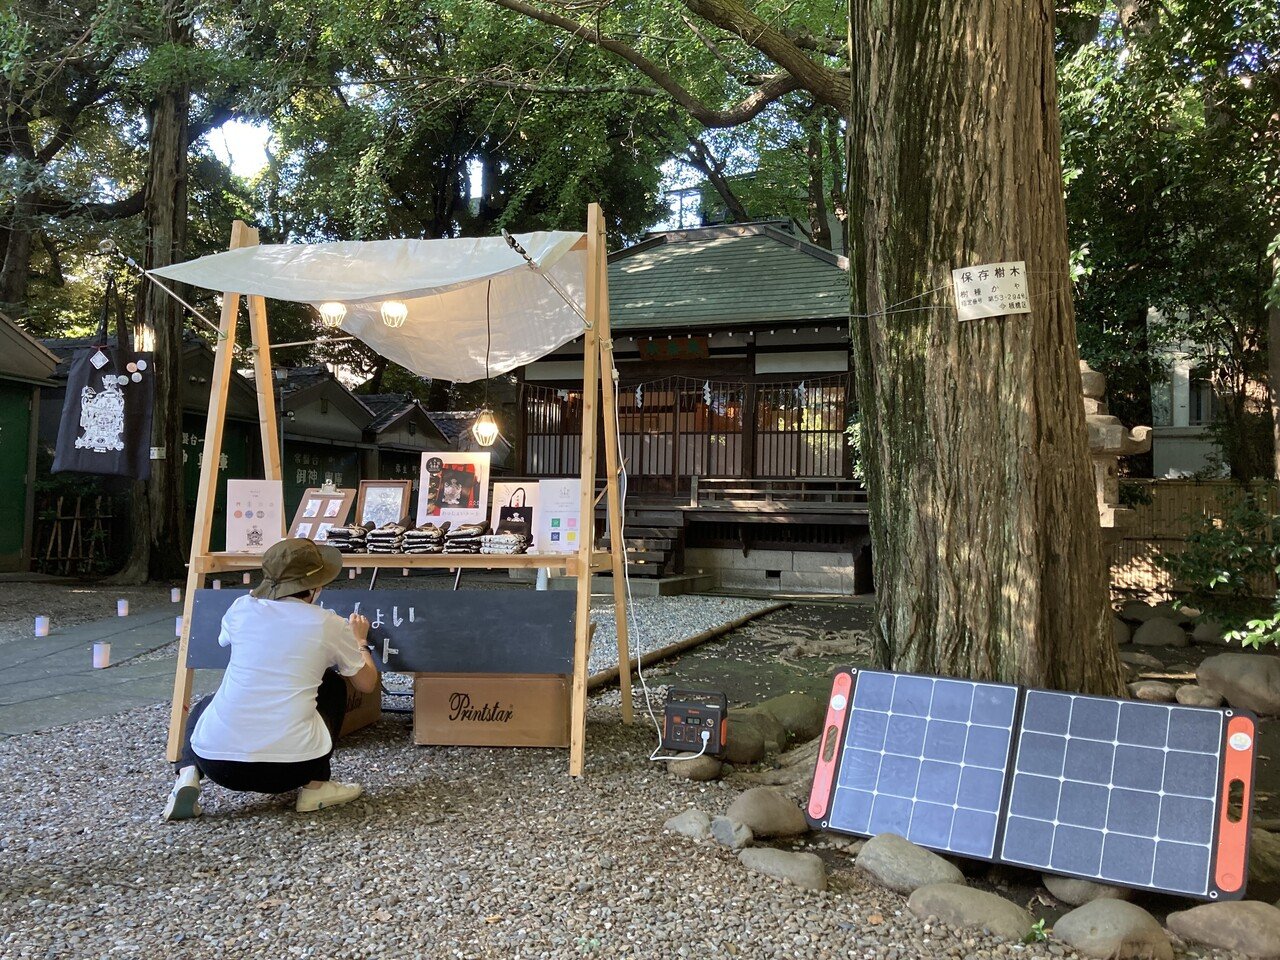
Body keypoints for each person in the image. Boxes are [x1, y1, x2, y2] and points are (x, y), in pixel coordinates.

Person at [162, 538, 379, 821]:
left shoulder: (241, 608)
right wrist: (360, 641)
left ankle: (188, 773)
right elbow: (366, 683)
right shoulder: (330, 624)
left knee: (210, 702)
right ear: (315, 587)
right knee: (334, 684)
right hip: (292, 768)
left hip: (217, 765)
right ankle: (316, 786)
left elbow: (224, 639)